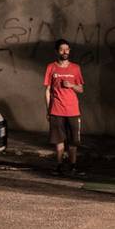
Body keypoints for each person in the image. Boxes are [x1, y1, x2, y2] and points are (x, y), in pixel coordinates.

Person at [43, 39, 85, 177]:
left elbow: (81, 89)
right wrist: (48, 110)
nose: (65, 52)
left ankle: (73, 167)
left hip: (73, 111)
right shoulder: (51, 67)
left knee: (73, 141)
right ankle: (59, 166)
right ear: (57, 51)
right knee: (59, 141)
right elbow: (48, 90)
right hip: (56, 110)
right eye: (62, 49)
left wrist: (72, 85)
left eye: (67, 49)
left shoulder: (75, 68)